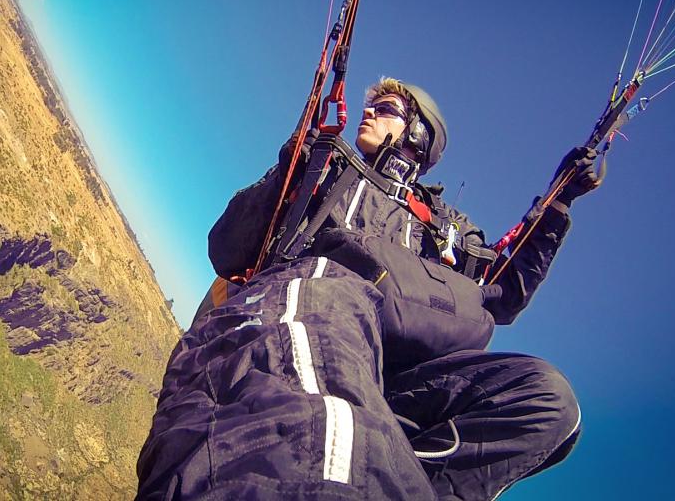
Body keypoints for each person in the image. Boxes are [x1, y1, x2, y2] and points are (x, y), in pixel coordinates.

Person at [136, 78, 600, 500]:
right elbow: (228, 248)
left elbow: (504, 295)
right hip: (291, 311)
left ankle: (391, 478)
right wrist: (292, 166)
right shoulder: (332, 167)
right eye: (370, 105)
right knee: (335, 289)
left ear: (418, 134)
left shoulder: (445, 229)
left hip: (382, 377)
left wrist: (557, 206)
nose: (368, 112)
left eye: (386, 108)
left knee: (546, 398)